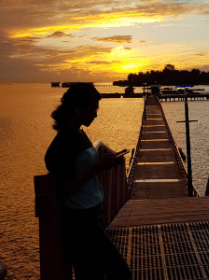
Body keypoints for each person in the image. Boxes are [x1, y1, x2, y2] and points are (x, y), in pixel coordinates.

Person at [44, 83, 131, 280]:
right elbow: (66, 185)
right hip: (81, 218)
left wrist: (104, 164)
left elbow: (84, 169)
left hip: (93, 209)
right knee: (120, 271)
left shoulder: (79, 133)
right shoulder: (63, 142)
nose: (96, 115)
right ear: (78, 110)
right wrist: (98, 167)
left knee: (92, 274)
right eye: (93, 110)